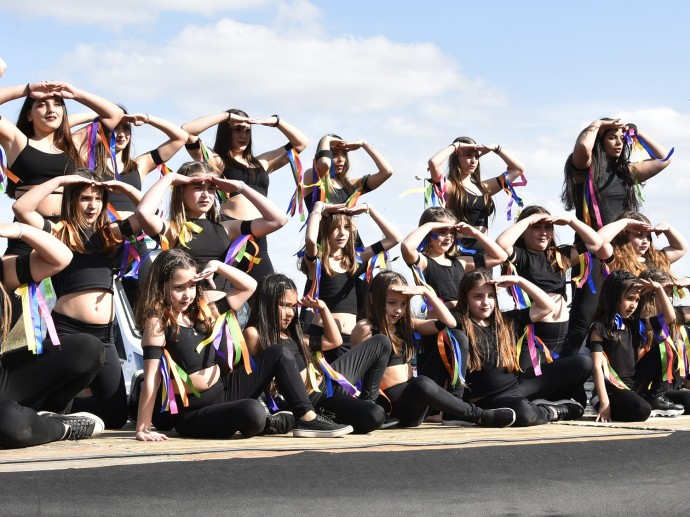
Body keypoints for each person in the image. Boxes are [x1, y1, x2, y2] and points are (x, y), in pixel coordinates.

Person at [13, 171, 144, 429]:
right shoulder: (60, 232)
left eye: (98, 198)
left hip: (105, 336)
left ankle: (76, 408)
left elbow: (149, 216)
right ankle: (49, 406)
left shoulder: (111, 233)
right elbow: (21, 208)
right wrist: (60, 182)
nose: (92, 205)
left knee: (117, 418)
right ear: (72, 199)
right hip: (67, 332)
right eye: (85, 198)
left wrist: (124, 189)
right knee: (54, 408)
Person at [135, 248, 289, 440]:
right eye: (178, 288)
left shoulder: (203, 309)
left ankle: (307, 416)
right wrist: (143, 428)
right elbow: (152, 378)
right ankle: (265, 422)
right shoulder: (157, 324)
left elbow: (249, 286)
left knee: (278, 353)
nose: (187, 295)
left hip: (224, 390)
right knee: (253, 410)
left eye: (192, 286)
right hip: (194, 413)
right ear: (161, 286)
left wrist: (218, 266)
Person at [562, 118, 673, 359]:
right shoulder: (585, 170)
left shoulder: (626, 172)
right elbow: (582, 149)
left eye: (622, 138)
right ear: (600, 140)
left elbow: (664, 158)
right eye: (612, 137)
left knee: (625, 315)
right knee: (585, 316)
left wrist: (637, 132)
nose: (619, 142)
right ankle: (567, 376)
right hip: (592, 253)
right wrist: (595, 125)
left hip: (621, 253)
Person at [350, 270, 517, 428]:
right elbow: (359, 374)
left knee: (456, 336)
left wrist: (426, 292)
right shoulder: (365, 328)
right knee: (421, 383)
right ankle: (478, 415)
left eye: (403, 303)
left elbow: (449, 323)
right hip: (395, 407)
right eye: (392, 303)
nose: (399, 310)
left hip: (416, 397)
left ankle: (455, 403)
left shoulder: (408, 324)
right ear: (373, 299)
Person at [0, 221, 105, 448]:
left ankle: (50, 412)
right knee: (9, 421)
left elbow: (61, 258)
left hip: (3, 379)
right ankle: (61, 428)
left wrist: (21, 229)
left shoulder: (3, 272)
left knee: (88, 349)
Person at [245, 273, 389, 434]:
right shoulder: (254, 335)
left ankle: (366, 401)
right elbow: (249, 380)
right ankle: (314, 416)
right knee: (376, 415)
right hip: (312, 400)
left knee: (381, 342)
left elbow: (335, 341)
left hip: (329, 383)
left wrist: (323, 308)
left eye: (293, 306)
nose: (290, 313)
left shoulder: (294, 335)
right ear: (267, 304)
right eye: (284, 305)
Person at [0, 80, 122, 257]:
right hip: (27, 229)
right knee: (13, 283)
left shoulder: (76, 142)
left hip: (67, 231)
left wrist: (75, 93)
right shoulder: (16, 140)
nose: (51, 109)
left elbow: (114, 115)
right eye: (42, 105)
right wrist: (27, 90)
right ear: (28, 115)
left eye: (57, 105)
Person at [182, 110, 308, 277]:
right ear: (226, 132)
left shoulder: (262, 163)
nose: (243, 135)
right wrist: (226, 117)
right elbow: (188, 131)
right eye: (237, 129)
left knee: (266, 291)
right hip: (232, 232)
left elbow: (301, 143)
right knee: (227, 289)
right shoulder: (217, 161)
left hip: (259, 234)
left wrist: (276, 122)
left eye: (247, 130)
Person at [454, 269, 586, 427]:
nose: (486, 302)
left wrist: (519, 281)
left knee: (584, 364)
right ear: (465, 298)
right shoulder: (459, 323)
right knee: (525, 414)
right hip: (489, 399)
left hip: (518, 386)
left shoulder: (505, 321)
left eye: (490, 296)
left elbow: (548, 306)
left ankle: (536, 402)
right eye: (478, 296)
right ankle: (550, 411)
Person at [136, 161, 288, 295]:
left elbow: (278, 220)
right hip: (187, 314)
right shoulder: (172, 228)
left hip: (224, 317)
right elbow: (143, 213)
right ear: (181, 191)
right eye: (198, 187)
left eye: (211, 189)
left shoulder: (228, 228)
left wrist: (241, 187)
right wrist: (170, 178)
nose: (206, 195)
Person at [495, 206, 606, 357]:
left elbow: (596, 243)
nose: (543, 233)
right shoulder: (521, 256)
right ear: (523, 232)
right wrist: (527, 220)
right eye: (536, 227)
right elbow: (501, 244)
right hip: (535, 331)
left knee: (578, 369)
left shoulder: (559, 256)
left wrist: (571, 221)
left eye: (548, 227)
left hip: (562, 332)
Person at [302, 200, 401, 362]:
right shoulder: (317, 262)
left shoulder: (357, 259)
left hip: (349, 339)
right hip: (323, 335)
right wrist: (318, 209)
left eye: (346, 228)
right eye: (335, 228)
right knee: (321, 385)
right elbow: (311, 241)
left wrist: (369, 208)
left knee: (348, 385)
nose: (342, 233)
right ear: (325, 230)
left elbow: (395, 238)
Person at [587, 270, 676, 422]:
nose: (633, 305)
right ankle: (605, 403)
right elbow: (597, 368)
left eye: (636, 300)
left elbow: (669, 317)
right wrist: (604, 402)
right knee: (643, 411)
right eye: (629, 299)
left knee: (665, 347)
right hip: (612, 389)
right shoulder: (600, 328)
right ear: (614, 297)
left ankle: (653, 397)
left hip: (634, 385)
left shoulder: (635, 324)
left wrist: (658, 289)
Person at [69, 109, 188, 217]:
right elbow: (62, 132)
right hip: (101, 234)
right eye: (115, 128)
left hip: (134, 237)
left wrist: (147, 119)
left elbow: (181, 138)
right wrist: (101, 117)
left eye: (126, 128)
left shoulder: (140, 165)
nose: (121, 134)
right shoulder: (88, 162)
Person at [427, 136, 526, 251]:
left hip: (484, 252)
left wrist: (496, 148)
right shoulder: (450, 187)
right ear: (456, 156)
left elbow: (518, 169)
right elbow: (433, 163)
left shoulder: (484, 188)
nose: (473, 160)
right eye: (468, 155)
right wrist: (457, 145)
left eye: (476, 156)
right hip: (459, 251)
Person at [635, 268, 687, 416]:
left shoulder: (674, 315)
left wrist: (687, 282)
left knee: (688, 400)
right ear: (651, 295)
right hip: (638, 384)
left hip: (661, 389)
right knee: (665, 347)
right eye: (666, 293)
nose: (670, 298)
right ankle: (653, 398)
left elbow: (670, 316)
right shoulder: (638, 319)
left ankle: (657, 397)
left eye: (671, 294)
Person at [303, 134, 393, 209]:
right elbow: (324, 164)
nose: (341, 159)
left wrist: (364, 144)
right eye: (334, 154)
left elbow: (387, 172)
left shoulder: (350, 186)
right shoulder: (312, 177)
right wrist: (326, 139)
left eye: (344, 154)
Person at [597, 212, 687, 276]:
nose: (645, 240)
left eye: (648, 236)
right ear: (623, 236)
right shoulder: (616, 260)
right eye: (639, 235)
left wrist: (668, 228)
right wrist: (625, 222)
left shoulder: (656, 259)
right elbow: (599, 241)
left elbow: (680, 249)